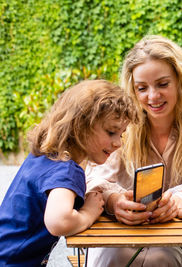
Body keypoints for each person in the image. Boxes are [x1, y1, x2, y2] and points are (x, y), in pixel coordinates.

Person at [85, 35, 182, 267]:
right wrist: (116, 202)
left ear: (180, 81)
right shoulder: (120, 124)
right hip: (120, 231)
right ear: (132, 90)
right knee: (114, 257)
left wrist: (176, 201)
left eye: (163, 84)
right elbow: (96, 178)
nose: (153, 96)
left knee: (160, 258)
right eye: (142, 88)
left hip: (175, 233)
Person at [0, 80, 133, 266]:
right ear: (80, 126)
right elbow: (59, 221)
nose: (118, 142)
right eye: (111, 132)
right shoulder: (67, 170)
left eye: (121, 134)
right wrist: (88, 213)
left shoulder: (46, 157)